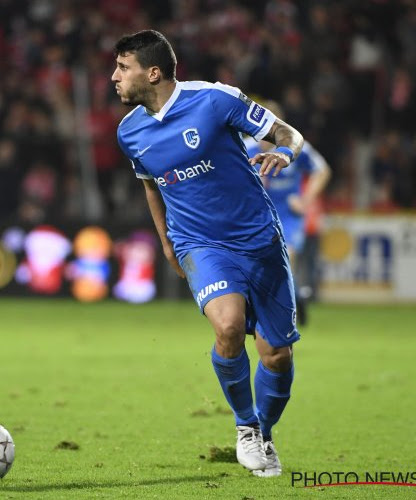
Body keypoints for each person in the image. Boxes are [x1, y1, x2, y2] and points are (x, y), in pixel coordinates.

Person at [112, 30, 304, 477]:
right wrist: (166, 243)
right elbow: (151, 187)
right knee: (229, 327)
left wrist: (284, 153)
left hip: (259, 240)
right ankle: (244, 427)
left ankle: (265, 433)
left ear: (152, 72)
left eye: (123, 68)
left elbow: (286, 133)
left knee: (276, 354)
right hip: (199, 244)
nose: (114, 77)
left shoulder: (216, 100)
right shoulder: (130, 131)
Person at [244, 101, 331, 325]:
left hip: (288, 216)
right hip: (259, 218)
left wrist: (305, 200)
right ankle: (297, 297)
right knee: (264, 267)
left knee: (285, 258)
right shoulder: (245, 149)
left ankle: (280, 319)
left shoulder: (293, 146)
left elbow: (322, 170)